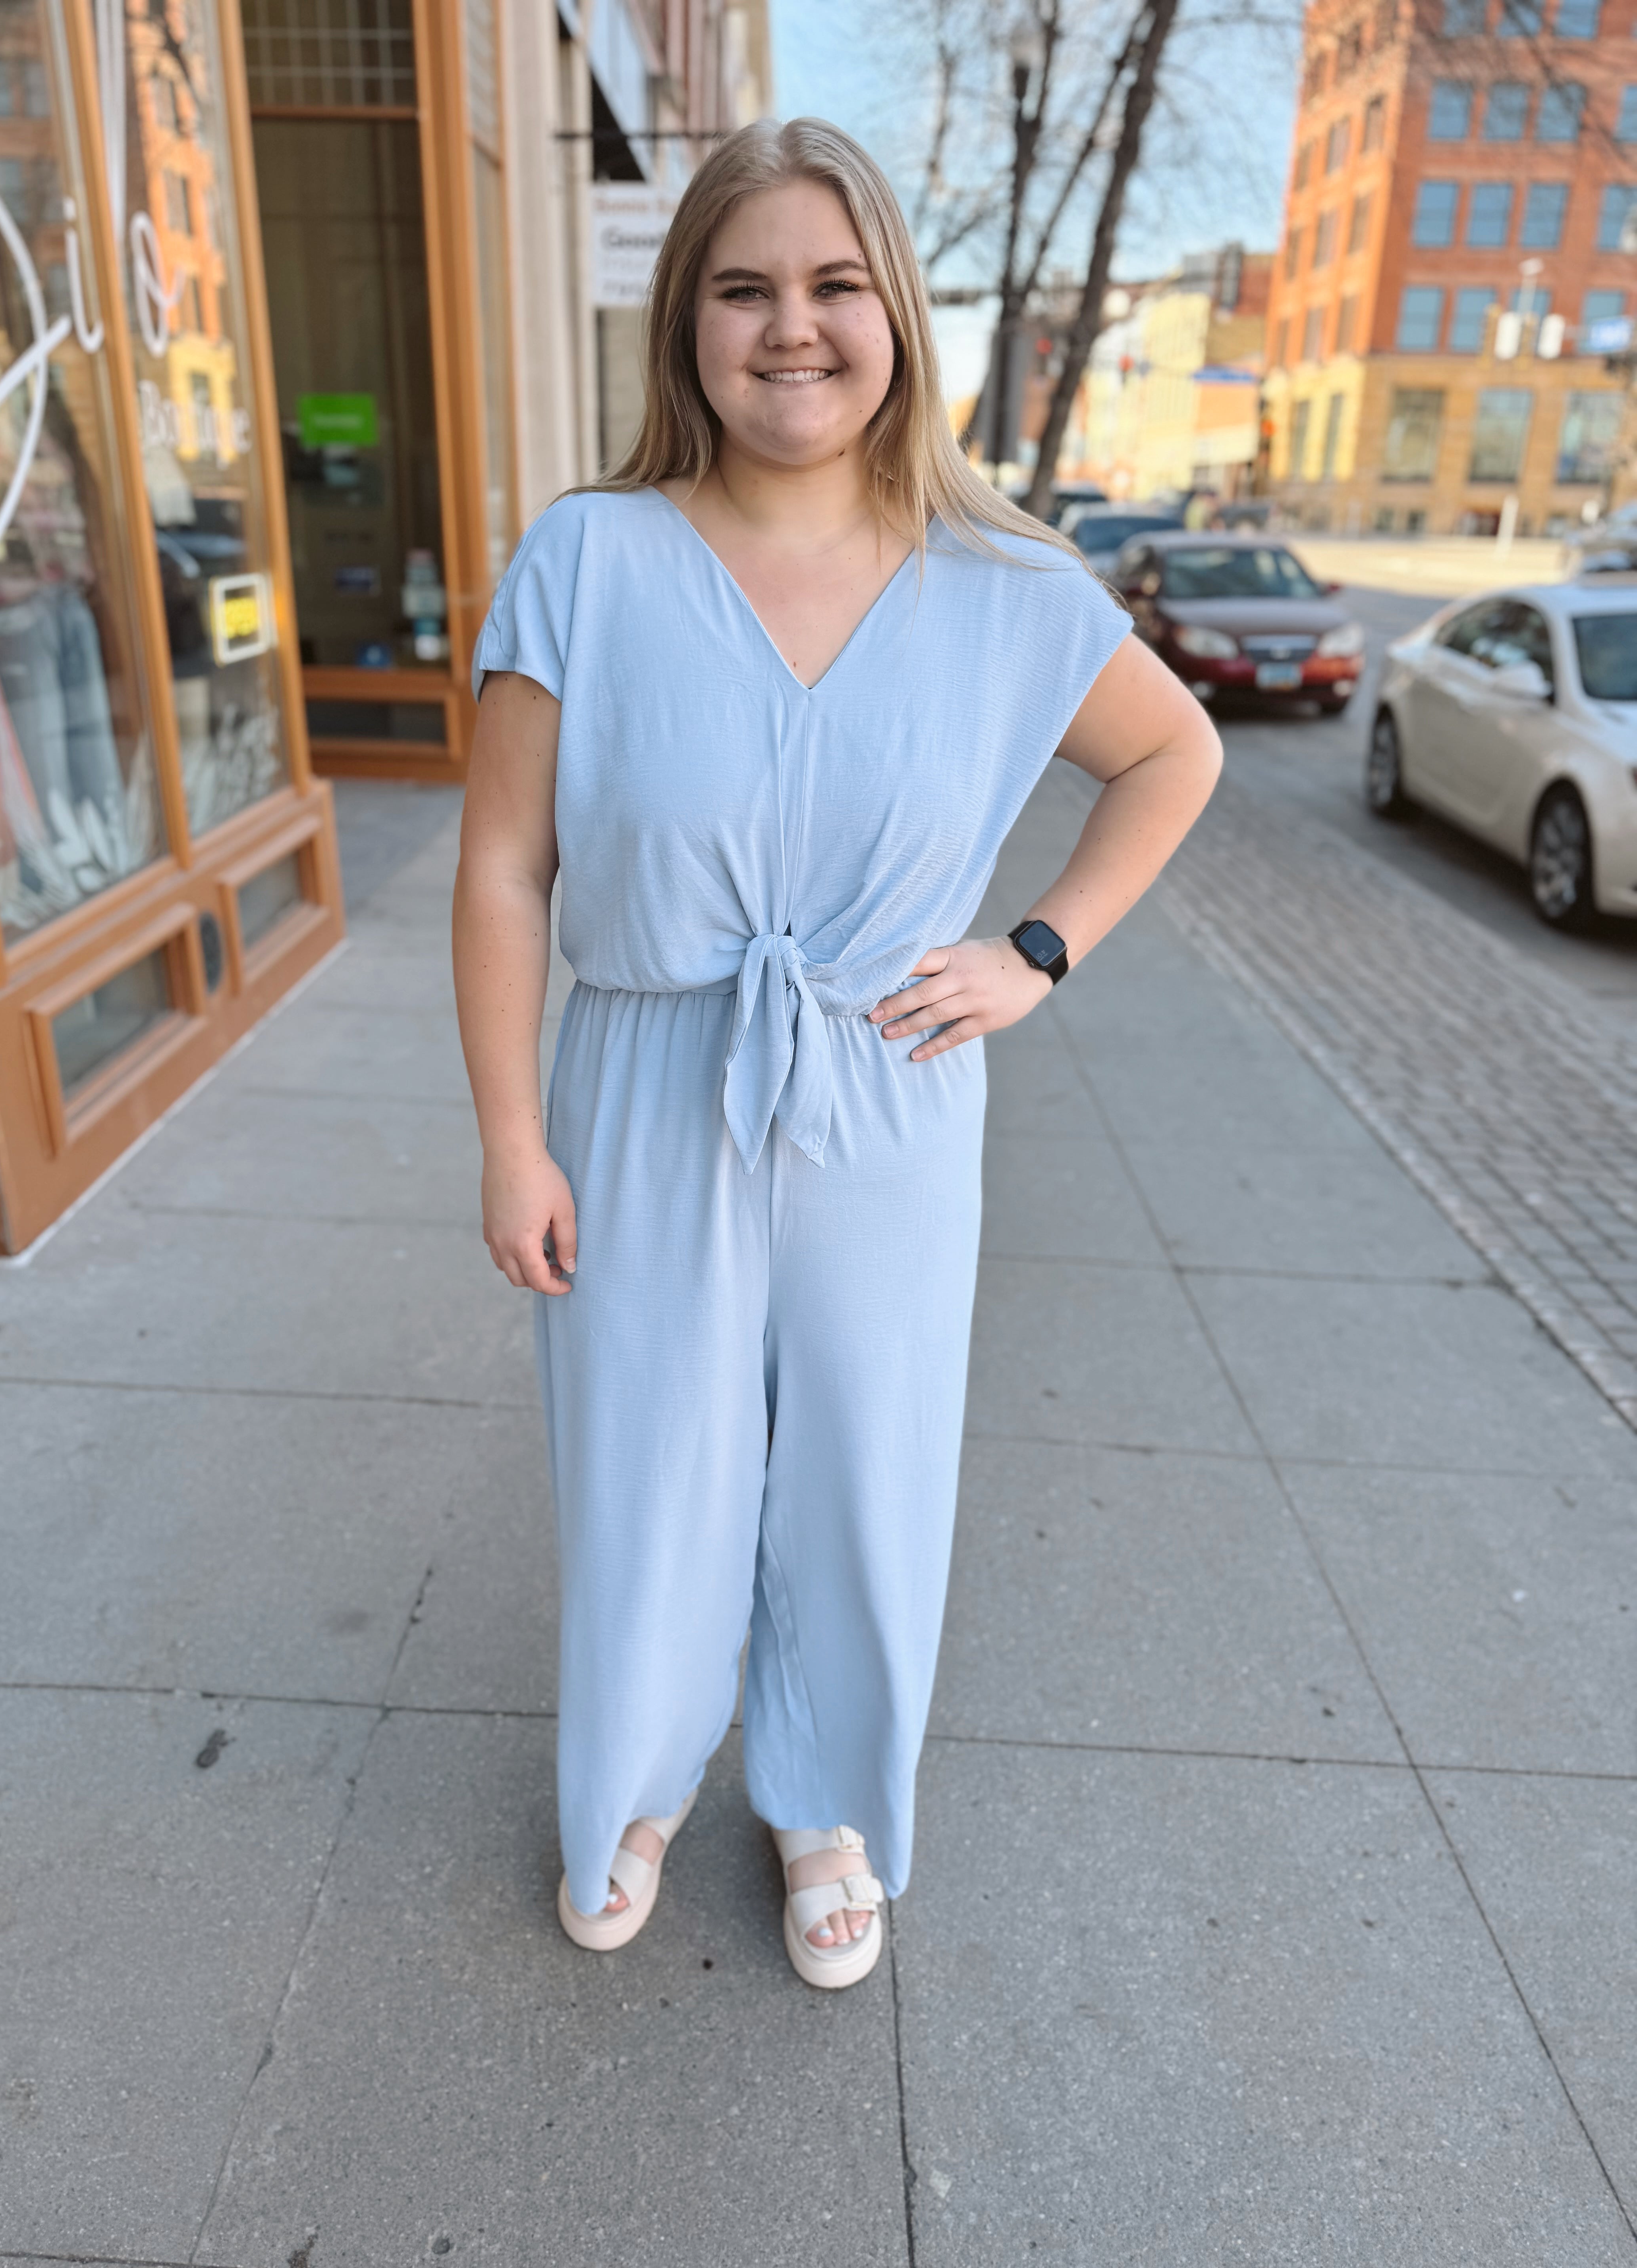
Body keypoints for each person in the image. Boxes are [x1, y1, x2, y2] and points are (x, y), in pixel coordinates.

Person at [452, 116, 1221, 1990]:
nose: (789, 330)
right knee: (648, 1458)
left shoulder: (1010, 584)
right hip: (640, 1082)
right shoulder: (593, 556)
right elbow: (501, 864)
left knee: (863, 1469)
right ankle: (638, 1779)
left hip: (884, 1089)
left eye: (831, 285)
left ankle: (825, 1799)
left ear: (895, 315)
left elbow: (1174, 754)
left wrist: (1036, 951)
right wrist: (507, 1138)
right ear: (685, 324)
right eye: (743, 289)